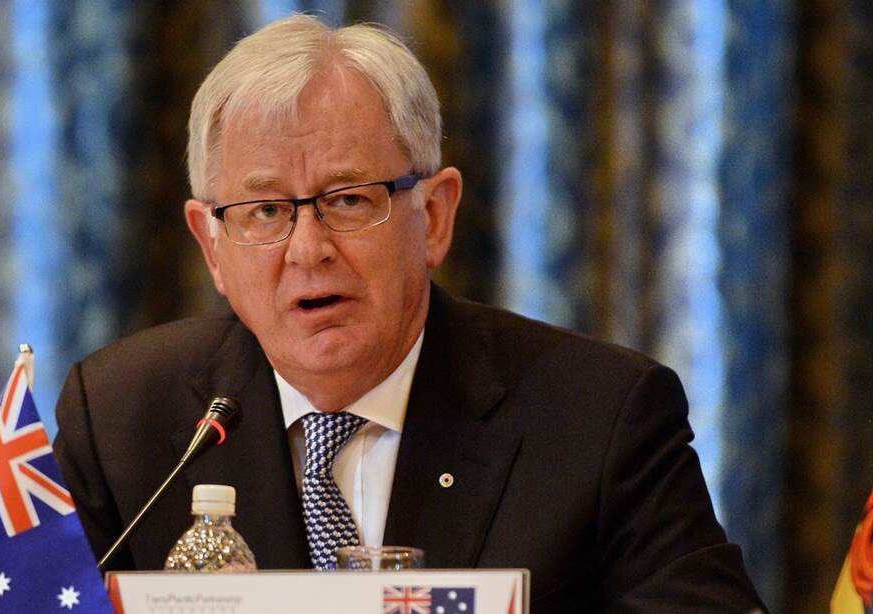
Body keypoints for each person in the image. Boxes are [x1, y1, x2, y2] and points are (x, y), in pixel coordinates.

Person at [53, 14, 765, 612]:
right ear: (212, 244)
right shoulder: (123, 420)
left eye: (349, 199)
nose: (309, 249)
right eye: (265, 210)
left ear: (435, 216)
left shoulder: (599, 420)